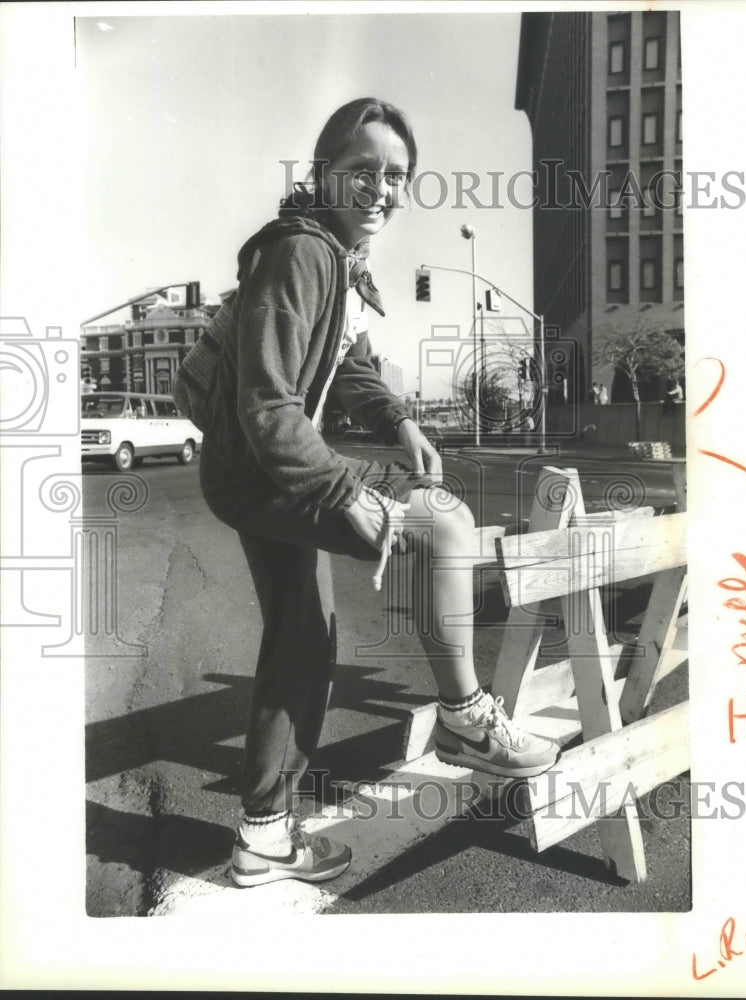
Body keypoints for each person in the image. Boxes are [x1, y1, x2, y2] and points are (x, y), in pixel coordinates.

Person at [197, 98, 559, 889]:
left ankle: (263, 837)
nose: (381, 189)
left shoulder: (334, 254)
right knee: (443, 525)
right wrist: (344, 492)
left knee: (302, 640)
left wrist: (398, 422)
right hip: (267, 471)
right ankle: (467, 720)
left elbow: (350, 364)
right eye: (363, 171)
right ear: (324, 172)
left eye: (396, 176)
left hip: (254, 471)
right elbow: (268, 404)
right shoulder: (303, 255)